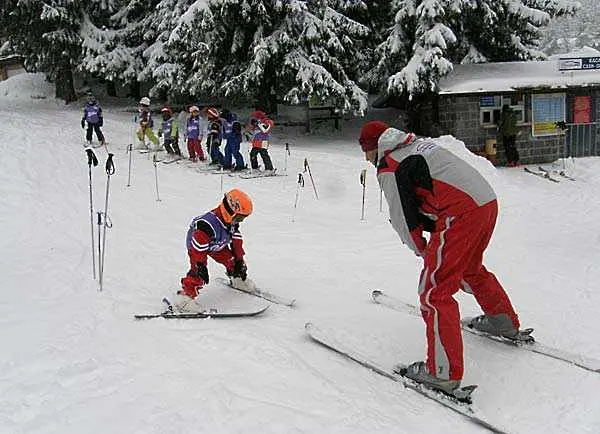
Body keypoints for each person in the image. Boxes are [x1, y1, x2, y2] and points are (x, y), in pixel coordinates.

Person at [359, 120, 524, 395]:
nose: (365, 158)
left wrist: (421, 248)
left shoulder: (390, 163)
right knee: (470, 268)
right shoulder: (414, 144)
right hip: (486, 203)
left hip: (459, 213)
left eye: (365, 151)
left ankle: (443, 374)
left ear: (375, 147)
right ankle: (503, 322)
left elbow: (402, 215)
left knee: (434, 291)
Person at [175, 189, 255, 312]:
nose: (240, 221)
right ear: (230, 208)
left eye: (242, 218)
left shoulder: (230, 222)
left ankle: (237, 279)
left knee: (232, 260)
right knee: (198, 273)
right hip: (197, 246)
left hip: (216, 244)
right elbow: (198, 249)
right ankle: (185, 299)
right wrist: (201, 265)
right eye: (239, 217)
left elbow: (236, 240)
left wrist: (239, 261)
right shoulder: (207, 224)